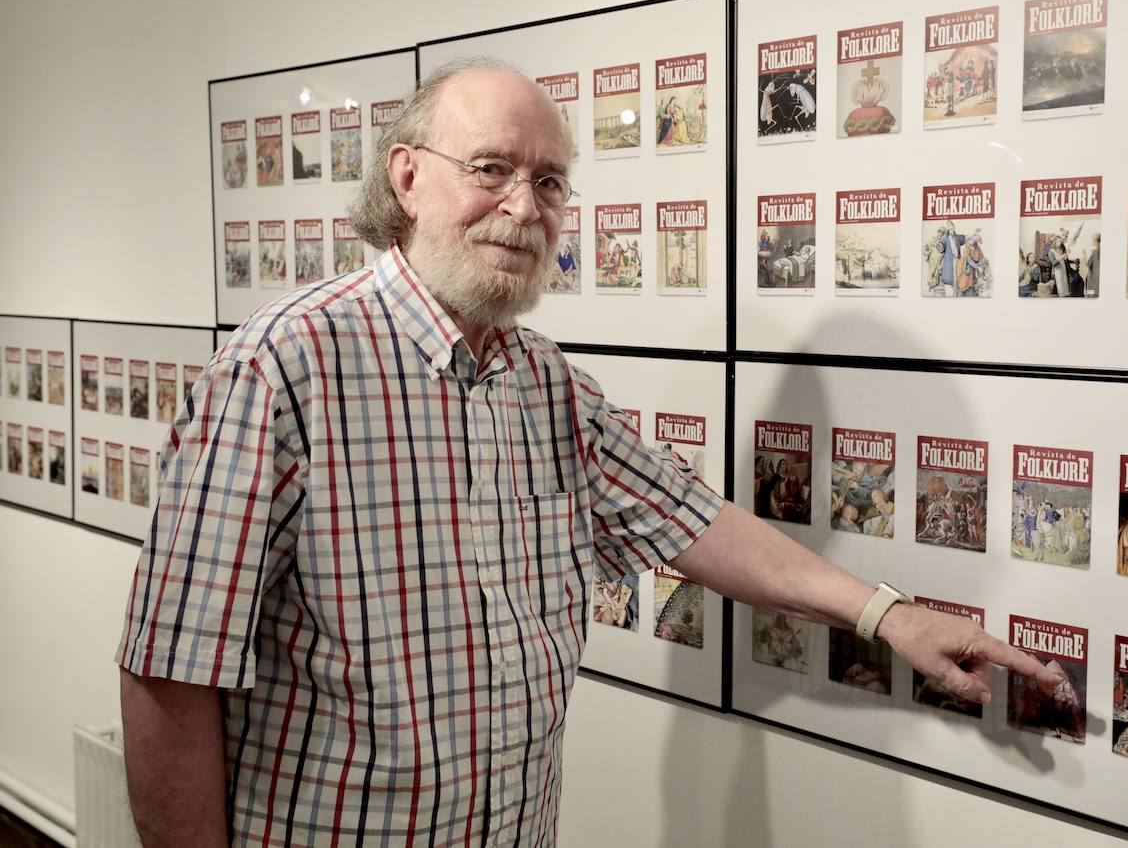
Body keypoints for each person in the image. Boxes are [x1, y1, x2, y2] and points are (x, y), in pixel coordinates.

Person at [116, 59, 1063, 847]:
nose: (524, 208)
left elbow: (693, 522)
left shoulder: (543, 381)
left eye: (550, 181)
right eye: (490, 169)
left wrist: (891, 616)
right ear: (406, 177)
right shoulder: (283, 368)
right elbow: (169, 669)